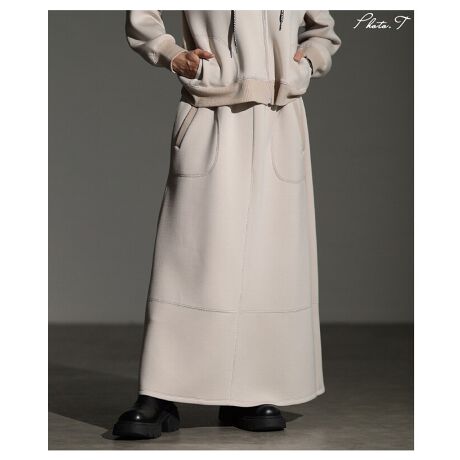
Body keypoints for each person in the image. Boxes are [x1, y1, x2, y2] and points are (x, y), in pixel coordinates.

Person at [112, 10, 341, 439]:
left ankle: (250, 390)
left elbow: (323, 30)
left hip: (280, 116)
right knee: (191, 259)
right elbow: (142, 13)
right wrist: (170, 53)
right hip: (210, 109)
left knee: (269, 263)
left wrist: (307, 62)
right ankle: (159, 393)